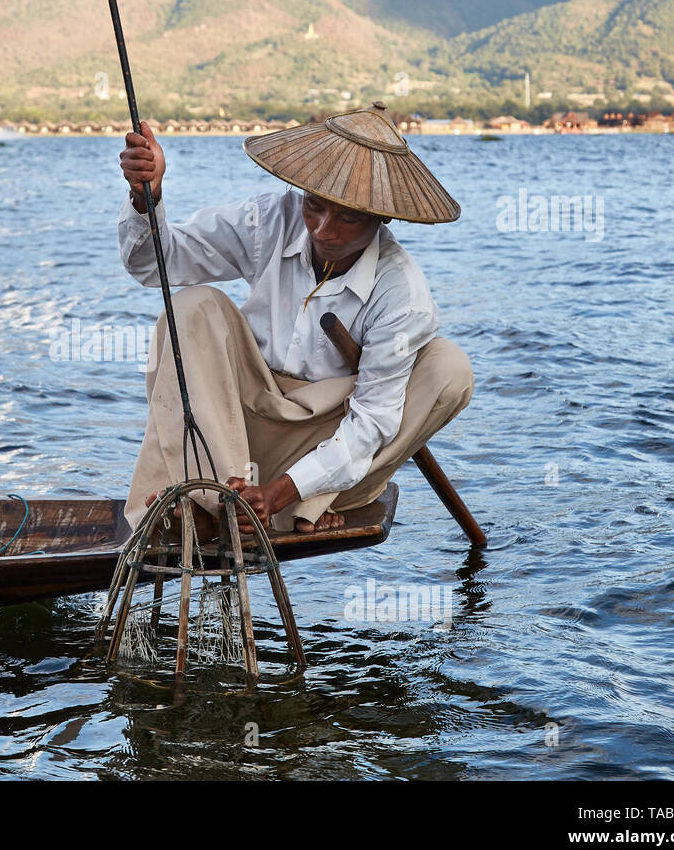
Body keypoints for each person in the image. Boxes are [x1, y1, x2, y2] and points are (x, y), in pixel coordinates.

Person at [117, 101, 474, 536]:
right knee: (194, 306)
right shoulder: (270, 219)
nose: (324, 230)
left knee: (448, 368)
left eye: (347, 218)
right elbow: (154, 265)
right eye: (315, 207)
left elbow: (371, 424)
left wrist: (282, 491)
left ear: (382, 218)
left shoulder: (402, 293)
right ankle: (211, 501)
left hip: (319, 441)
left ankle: (300, 503)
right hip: (232, 430)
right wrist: (146, 197)